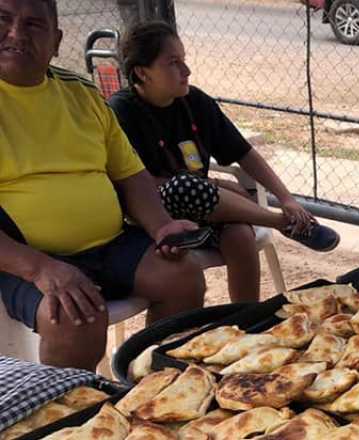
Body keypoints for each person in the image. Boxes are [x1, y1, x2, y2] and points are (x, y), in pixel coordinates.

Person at [0, 0, 206, 369]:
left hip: (111, 245)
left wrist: (161, 226)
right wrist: (40, 268)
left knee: (183, 276)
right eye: (3, 19)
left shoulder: (81, 94)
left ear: (57, 41)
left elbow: (130, 174)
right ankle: (72, 421)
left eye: (33, 25)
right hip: (23, 259)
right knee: (76, 317)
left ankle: (150, 393)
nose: (16, 33)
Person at [108, 21, 339, 303]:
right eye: (173, 62)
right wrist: (215, 185)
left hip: (204, 208)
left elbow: (244, 152)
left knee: (240, 234)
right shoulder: (122, 112)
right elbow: (134, 184)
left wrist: (286, 197)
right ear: (142, 73)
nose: (186, 71)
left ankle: (244, 325)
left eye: (184, 60)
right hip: (152, 220)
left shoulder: (194, 101)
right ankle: (282, 223)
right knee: (185, 186)